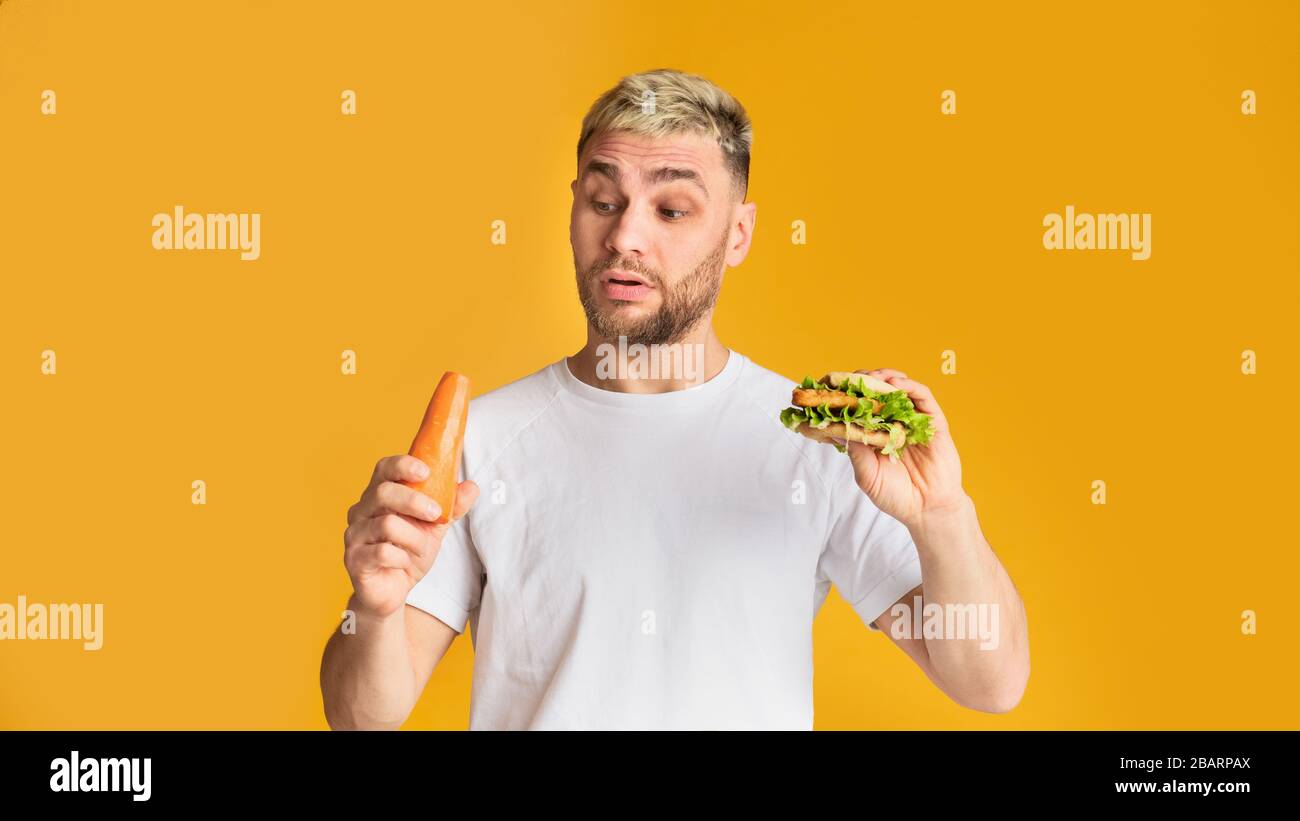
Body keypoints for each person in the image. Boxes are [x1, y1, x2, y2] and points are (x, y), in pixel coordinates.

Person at [320, 68, 1029, 730]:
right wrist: (374, 609)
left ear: (738, 234)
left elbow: (991, 683)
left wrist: (943, 517)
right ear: (574, 209)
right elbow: (362, 715)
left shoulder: (817, 443)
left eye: (672, 208)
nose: (625, 236)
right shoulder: (484, 441)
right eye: (604, 201)